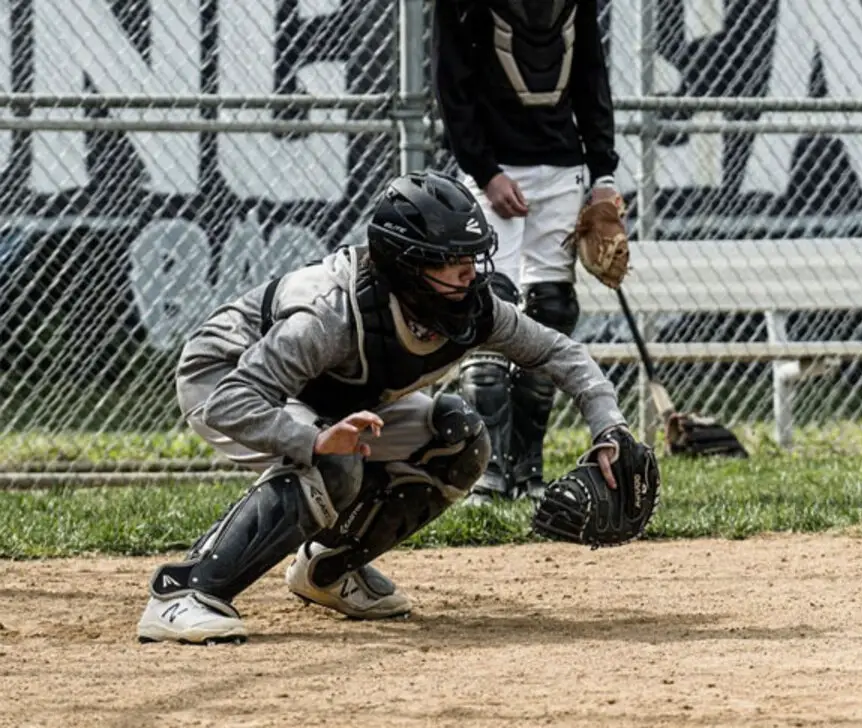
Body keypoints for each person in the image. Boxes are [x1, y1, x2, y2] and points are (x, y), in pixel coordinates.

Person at [135, 170, 634, 645]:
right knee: (333, 461)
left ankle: (327, 569)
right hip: (225, 377)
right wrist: (311, 441)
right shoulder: (329, 314)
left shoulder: (469, 305)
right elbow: (230, 401)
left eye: (474, 256)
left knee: (457, 437)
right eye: (452, 260)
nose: (471, 272)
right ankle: (185, 590)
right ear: (407, 266)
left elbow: (557, 351)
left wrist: (609, 428)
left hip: (322, 396)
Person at [432, 0, 622, 504]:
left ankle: (527, 469)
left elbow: (589, 75)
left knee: (551, 314)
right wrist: (484, 170)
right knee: (491, 312)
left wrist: (602, 175)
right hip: (495, 167)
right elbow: (451, 86)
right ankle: (487, 472)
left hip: (562, 166)